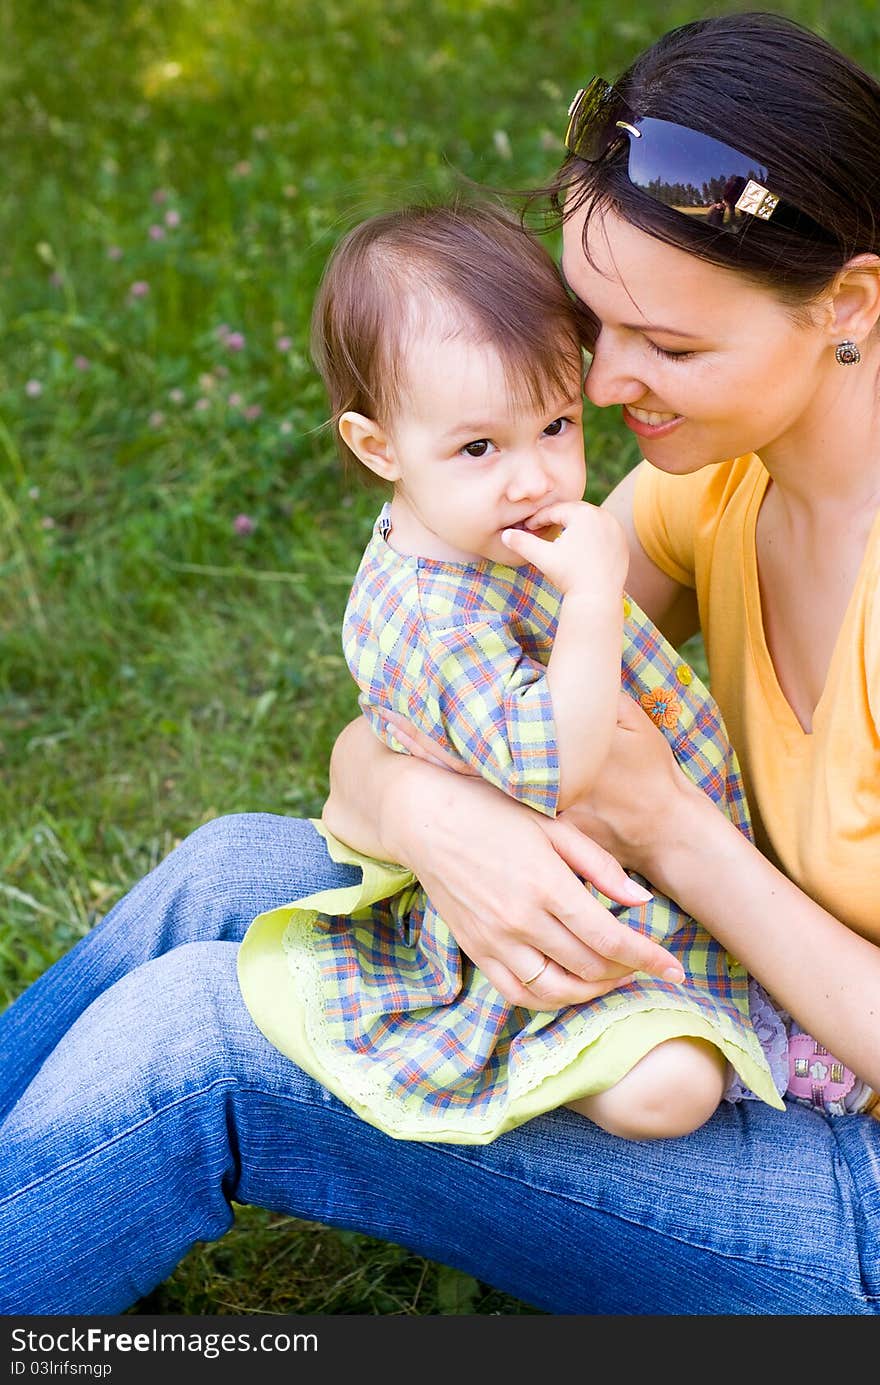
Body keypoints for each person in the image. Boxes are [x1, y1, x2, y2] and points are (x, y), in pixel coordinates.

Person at [2, 8, 880, 1317]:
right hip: (734, 1002)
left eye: (673, 347)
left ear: (850, 304)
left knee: (206, 1045)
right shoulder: (722, 486)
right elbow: (429, 705)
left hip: (850, 1179)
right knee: (226, 872)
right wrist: (438, 819)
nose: (600, 386)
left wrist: (673, 832)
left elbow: (614, 789)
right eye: (596, 326)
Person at [236, 198, 785, 1145]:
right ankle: (534, 1059)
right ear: (377, 447)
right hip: (534, 933)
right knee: (673, 1088)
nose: (532, 477)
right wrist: (593, 593)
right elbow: (552, 764)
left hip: (582, 874)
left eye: (557, 426)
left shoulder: (477, 541)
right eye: (480, 446)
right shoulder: (442, 611)